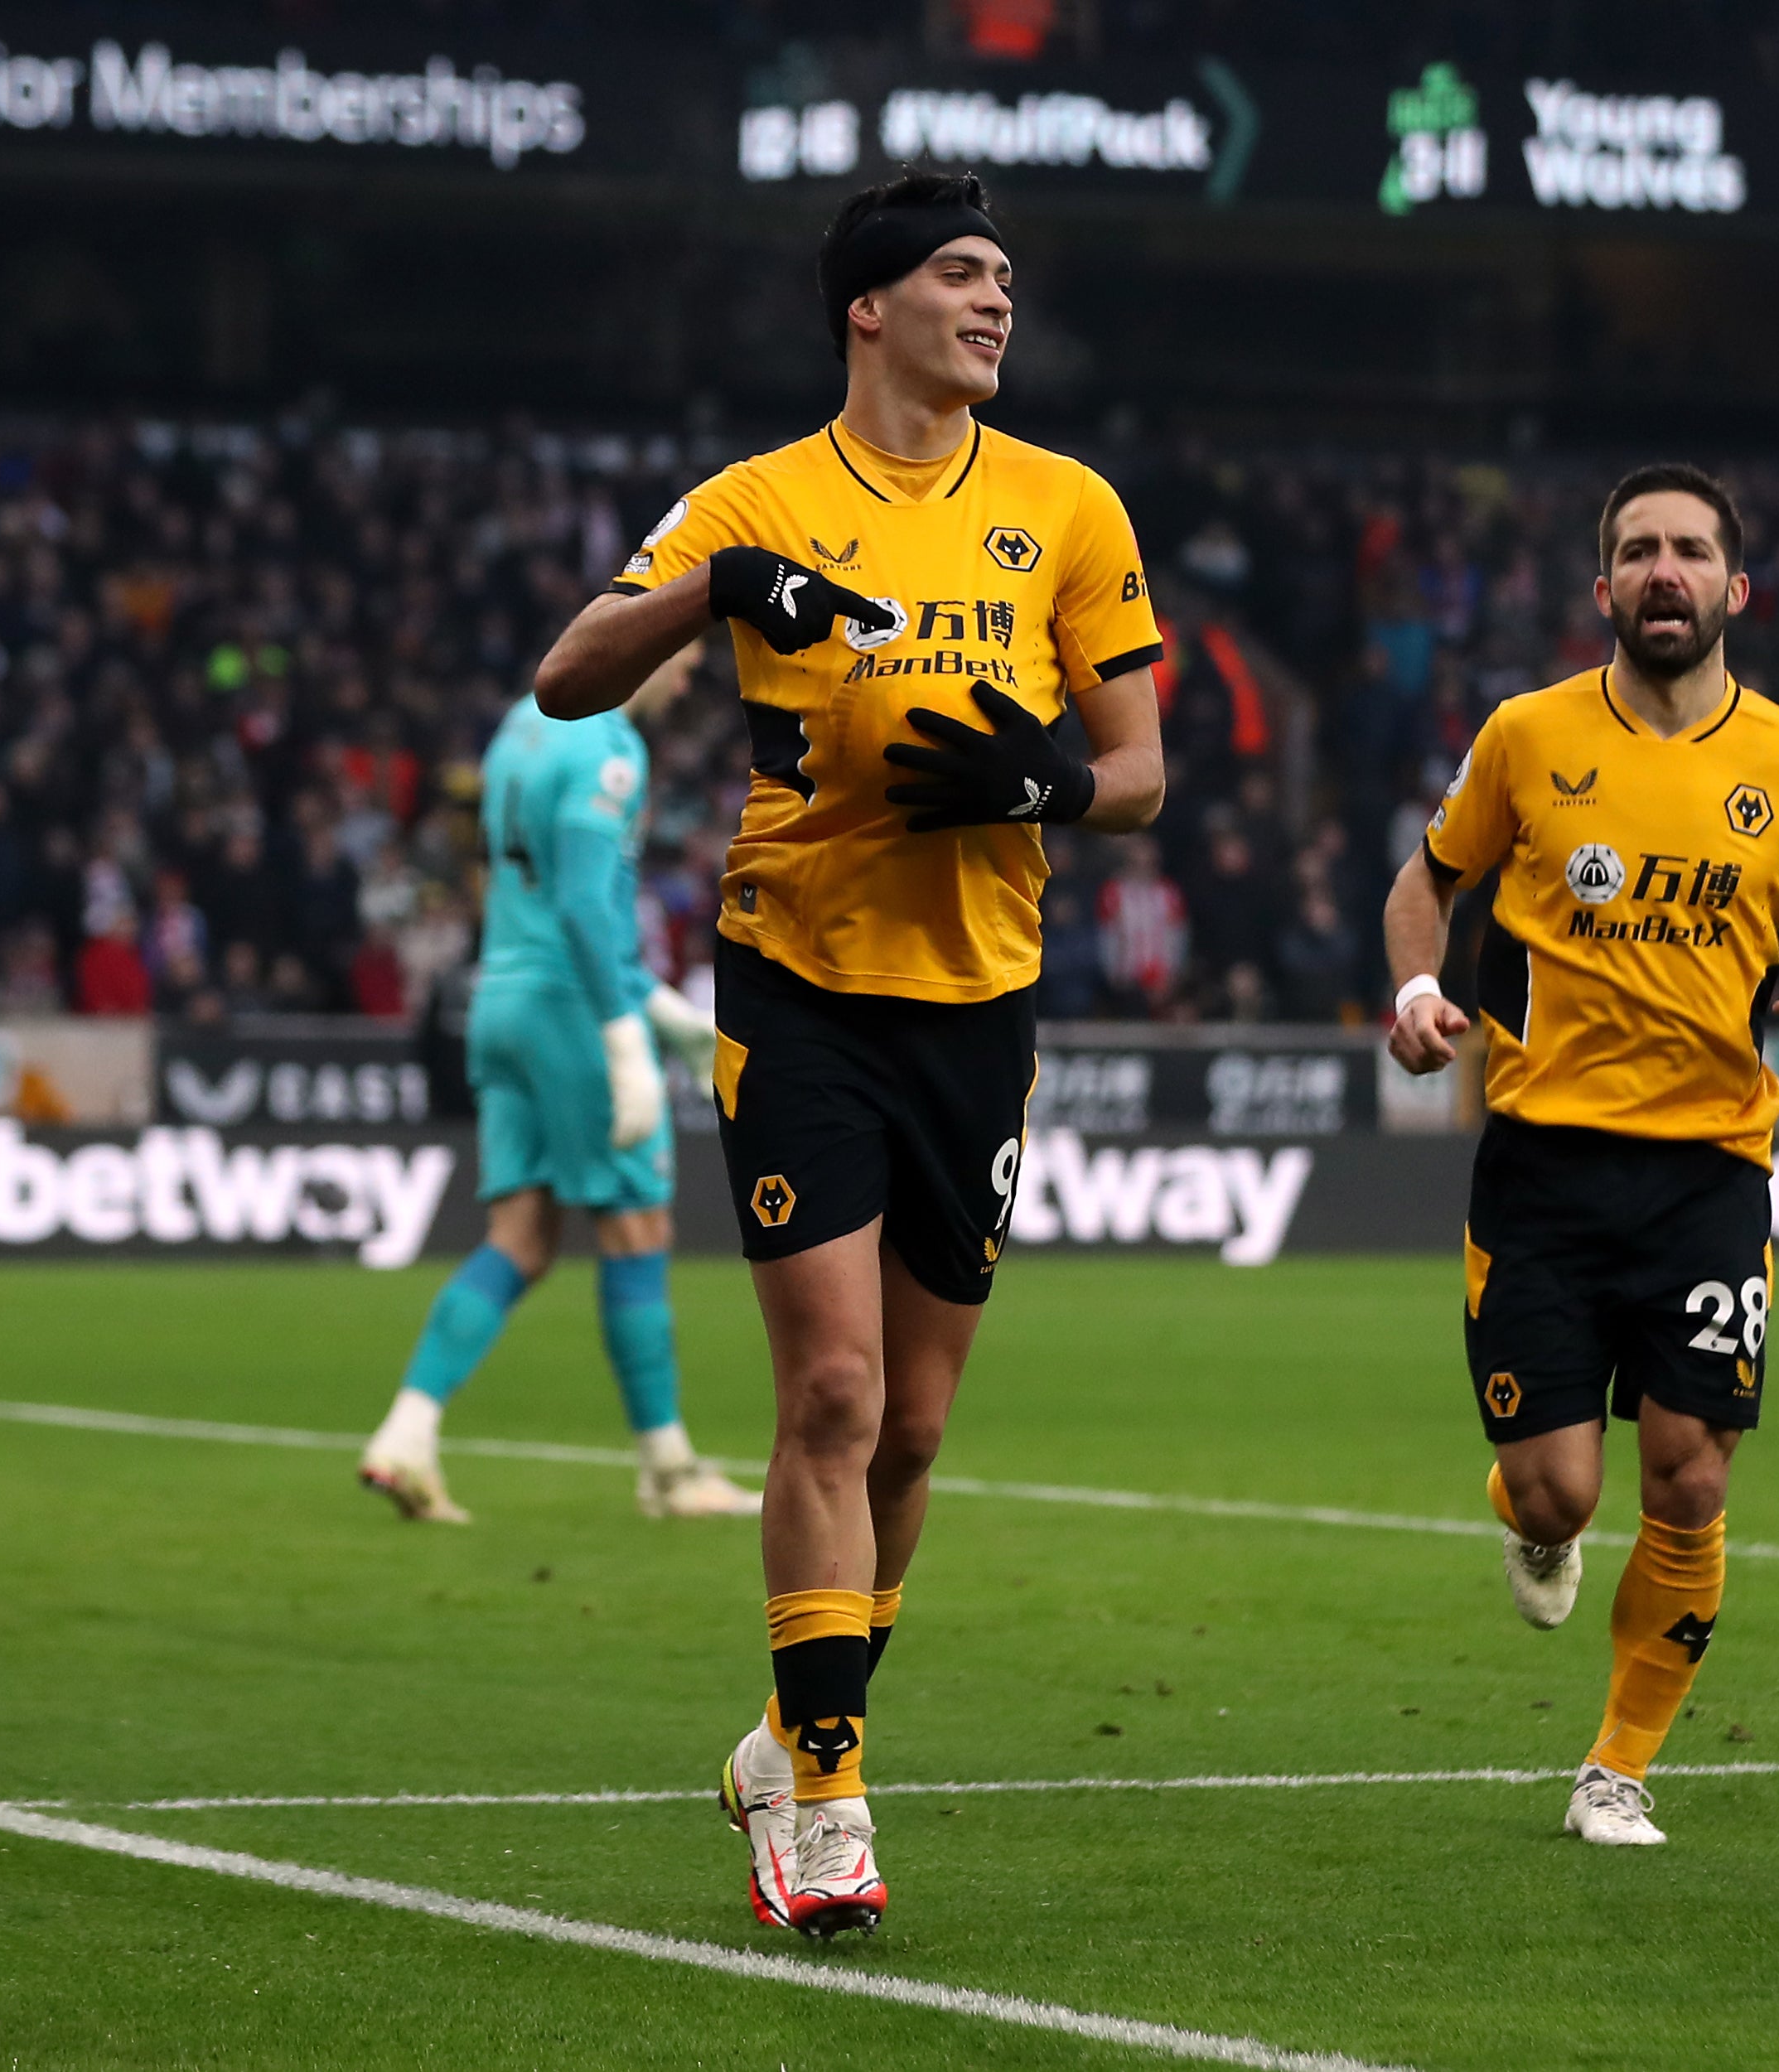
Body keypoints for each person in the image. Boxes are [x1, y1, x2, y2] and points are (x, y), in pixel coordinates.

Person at [526, 168, 1166, 1939]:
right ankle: (824, 1803)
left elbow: (1140, 772)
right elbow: (567, 673)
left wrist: (1041, 780)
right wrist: (722, 584)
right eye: (962, 274)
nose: (995, 301)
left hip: (982, 1000)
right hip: (797, 982)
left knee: (917, 1427)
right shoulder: (759, 496)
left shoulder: (1068, 506)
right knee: (831, 1394)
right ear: (866, 307)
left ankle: (781, 1735)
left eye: (1008, 279)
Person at [1384, 463, 1779, 1849]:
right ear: (1601, 588)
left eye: (1687, 552)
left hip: (1710, 1177)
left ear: (1736, 590)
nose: (1661, 571)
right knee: (1562, 1484)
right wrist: (1414, 991)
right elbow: (1427, 880)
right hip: (1542, 1164)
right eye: (1636, 551)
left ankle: (1617, 1767)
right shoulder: (1525, 736)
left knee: (1692, 1472)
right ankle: (1532, 1517)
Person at [356, 643, 760, 1527]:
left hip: (499, 997)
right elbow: (582, 905)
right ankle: (668, 1468)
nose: (688, 675)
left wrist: (659, 1009)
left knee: (523, 1237)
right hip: (571, 1012)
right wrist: (624, 1031)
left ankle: (406, 1432)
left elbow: (538, 898)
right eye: (683, 656)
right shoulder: (608, 747)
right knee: (637, 1224)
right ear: (642, 649)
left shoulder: (520, 727)